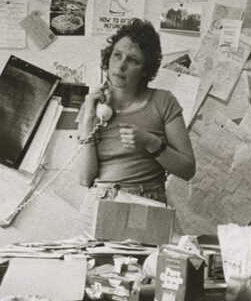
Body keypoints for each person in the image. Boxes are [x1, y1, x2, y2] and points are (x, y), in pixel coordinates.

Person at [77, 18, 196, 223]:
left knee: (144, 257)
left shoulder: (163, 101)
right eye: (117, 55)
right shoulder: (93, 106)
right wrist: (88, 120)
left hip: (146, 202)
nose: (121, 65)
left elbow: (188, 170)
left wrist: (151, 143)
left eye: (133, 60)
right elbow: (85, 179)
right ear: (108, 59)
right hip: (99, 203)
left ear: (145, 71)